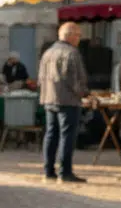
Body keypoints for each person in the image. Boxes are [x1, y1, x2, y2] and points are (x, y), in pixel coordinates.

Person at [38, 22, 90, 183]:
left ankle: (48, 170)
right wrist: (85, 94)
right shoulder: (71, 53)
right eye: (78, 35)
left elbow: (40, 78)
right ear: (70, 35)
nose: (79, 39)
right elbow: (75, 79)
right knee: (67, 136)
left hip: (49, 98)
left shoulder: (48, 52)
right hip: (67, 100)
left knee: (51, 134)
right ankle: (65, 172)